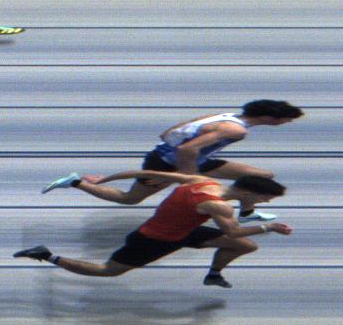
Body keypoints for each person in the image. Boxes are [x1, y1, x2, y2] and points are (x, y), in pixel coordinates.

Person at [16, 172, 290, 288]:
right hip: (153, 240)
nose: (266, 202)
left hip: (183, 231)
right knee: (108, 271)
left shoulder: (202, 180)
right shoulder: (218, 206)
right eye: (265, 198)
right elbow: (234, 232)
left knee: (246, 247)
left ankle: (213, 275)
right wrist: (268, 227)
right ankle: (46, 255)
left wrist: (102, 179)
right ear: (247, 192)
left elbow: (148, 172)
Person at [43, 100, 303, 220]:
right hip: (168, 163)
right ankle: (75, 182)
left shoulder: (227, 115)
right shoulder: (235, 130)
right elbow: (186, 150)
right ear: (270, 119)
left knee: (262, 177)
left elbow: (168, 132)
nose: (287, 123)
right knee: (129, 199)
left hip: (193, 158)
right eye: (286, 120)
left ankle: (246, 213)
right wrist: (189, 179)